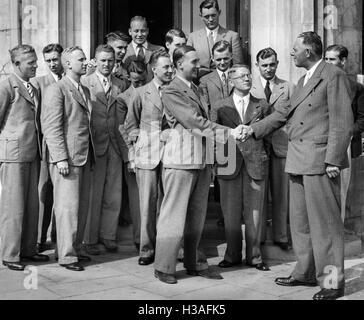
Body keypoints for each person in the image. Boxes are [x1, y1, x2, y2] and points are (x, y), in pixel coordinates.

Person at [241, 32, 353, 300]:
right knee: (300, 225)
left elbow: (342, 121)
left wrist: (333, 161)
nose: (291, 54)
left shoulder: (333, 75)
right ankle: (304, 272)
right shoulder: (303, 80)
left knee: (325, 227)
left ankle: (331, 282)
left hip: (321, 162)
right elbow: (281, 114)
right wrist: (252, 129)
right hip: (298, 160)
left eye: (295, 50)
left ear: (310, 52)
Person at [153, 45, 244, 284]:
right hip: (181, 161)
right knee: (173, 216)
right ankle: (164, 267)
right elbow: (195, 122)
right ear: (179, 64)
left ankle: (193, 262)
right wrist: (231, 133)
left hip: (201, 160)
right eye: (193, 61)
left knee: (196, 216)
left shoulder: (196, 88)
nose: (198, 65)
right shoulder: (171, 90)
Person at [42, 46, 95, 272]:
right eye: (81, 59)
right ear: (68, 64)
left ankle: (76, 248)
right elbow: (51, 127)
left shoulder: (84, 89)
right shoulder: (57, 90)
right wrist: (60, 158)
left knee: (80, 207)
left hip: (83, 156)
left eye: (84, 59)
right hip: (67, 159)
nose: (85, 62)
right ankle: (66, 255)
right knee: (67, 208)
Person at [216, 64, 270, 271]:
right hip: (228, 163)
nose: (247, 79)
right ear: (231, 81)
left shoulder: (262, 105)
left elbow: (269, 135)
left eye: (248, 75)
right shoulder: (220, 106)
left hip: (255, 162)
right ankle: (231, 256)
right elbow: (213, 135)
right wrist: (216, 161)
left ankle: (255, 257)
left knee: (254, 213)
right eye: (242, 76)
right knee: (230, 212)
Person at [0, 45, 49, 271]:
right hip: (13, 155)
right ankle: (10, 254)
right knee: (13, 206)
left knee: (31, 205)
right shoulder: (6, 87)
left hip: (32, 152)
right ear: (16, 64)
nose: (35, 65)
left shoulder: (34, 87)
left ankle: (28, 250)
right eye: (30, 62)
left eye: (35, 61)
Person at [124, 49, 173, 266]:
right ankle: (146, 249)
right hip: (147, 156)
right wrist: (134, 154)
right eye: (166, 66)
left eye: (172, 66)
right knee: (147, 205)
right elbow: (129, 127)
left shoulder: (178, 91)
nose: (171, 69)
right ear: (154, 69)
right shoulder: (140, 93)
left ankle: (169, 248)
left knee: (170, 204)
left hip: (173, 156)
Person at [82, 44, 129, 255]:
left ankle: (108, 235)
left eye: (110, 60)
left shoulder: (122, 84)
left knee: (113, 193)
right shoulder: (85, 82)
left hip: (116, 144)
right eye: (103, 60)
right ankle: (89, 239)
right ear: (95, 61)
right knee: (94, 193)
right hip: (95, 144)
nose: (107, 64)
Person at [251, 47, 295, 251]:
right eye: (264, 65)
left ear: (277, 64)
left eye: (272, 64)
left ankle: (281, 236)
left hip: (280, 145)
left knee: (281, 193)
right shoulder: (249, 86)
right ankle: (257, 237)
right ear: (257, 65)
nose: (268, 69)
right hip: (257, 146)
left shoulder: (288, 87)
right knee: (258, 195)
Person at [324, 44, 364, 222]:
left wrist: (345, 133)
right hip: (320, 141)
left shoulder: (355, 87)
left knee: (340, 191)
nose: (328, 63)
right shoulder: (317, 83)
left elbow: (362, 120)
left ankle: (337, 231)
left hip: (344, 144)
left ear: (343, 61)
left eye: (332, 59)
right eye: (325, 59)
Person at [32, 43, 65, 253]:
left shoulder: (72, 80)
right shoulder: (38, 83)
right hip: (47, 147)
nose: (53, 64)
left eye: (56, 59)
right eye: (49, 60)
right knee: (44, 194)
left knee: (65, 196)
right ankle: (38, 239)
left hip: (68, 147)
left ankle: (59, 238)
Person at [199, 40, 234, 227]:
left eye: (226, 58)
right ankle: (220, 213)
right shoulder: (205, 80)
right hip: (215, 130)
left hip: (236, 131)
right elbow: (205, 107)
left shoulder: (239, 76)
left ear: (231, 57)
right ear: (213, 59)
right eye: (219, 59)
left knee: (233, 174)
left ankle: (231, 214)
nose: (222, 62)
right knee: (218, 173)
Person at [118, 57, 148, 250]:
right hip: (135, 155)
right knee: (137, 202)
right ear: (128, 77)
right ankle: (140, 239)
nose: (138, 85)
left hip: (155, 153)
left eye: (141, 81)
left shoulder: (153, 91)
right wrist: (131, 156)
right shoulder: (123, 98)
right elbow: (123, 130)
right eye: (135, 82)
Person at [187, 0, 243, 78]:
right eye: (206, 17)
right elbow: (189, 63)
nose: (210, 19)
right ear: (201, 16)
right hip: (199, 82)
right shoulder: (193, 37)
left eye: (213, 15)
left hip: (224, 81)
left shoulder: (232, 36)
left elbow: (238, 66)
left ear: (219, 13)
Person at [124, 16, 164, 82]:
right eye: (136, 31)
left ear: (147, 31)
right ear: (130, 31)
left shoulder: (159, 50)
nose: (139, 34)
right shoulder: (123, 51)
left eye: (143, 31)